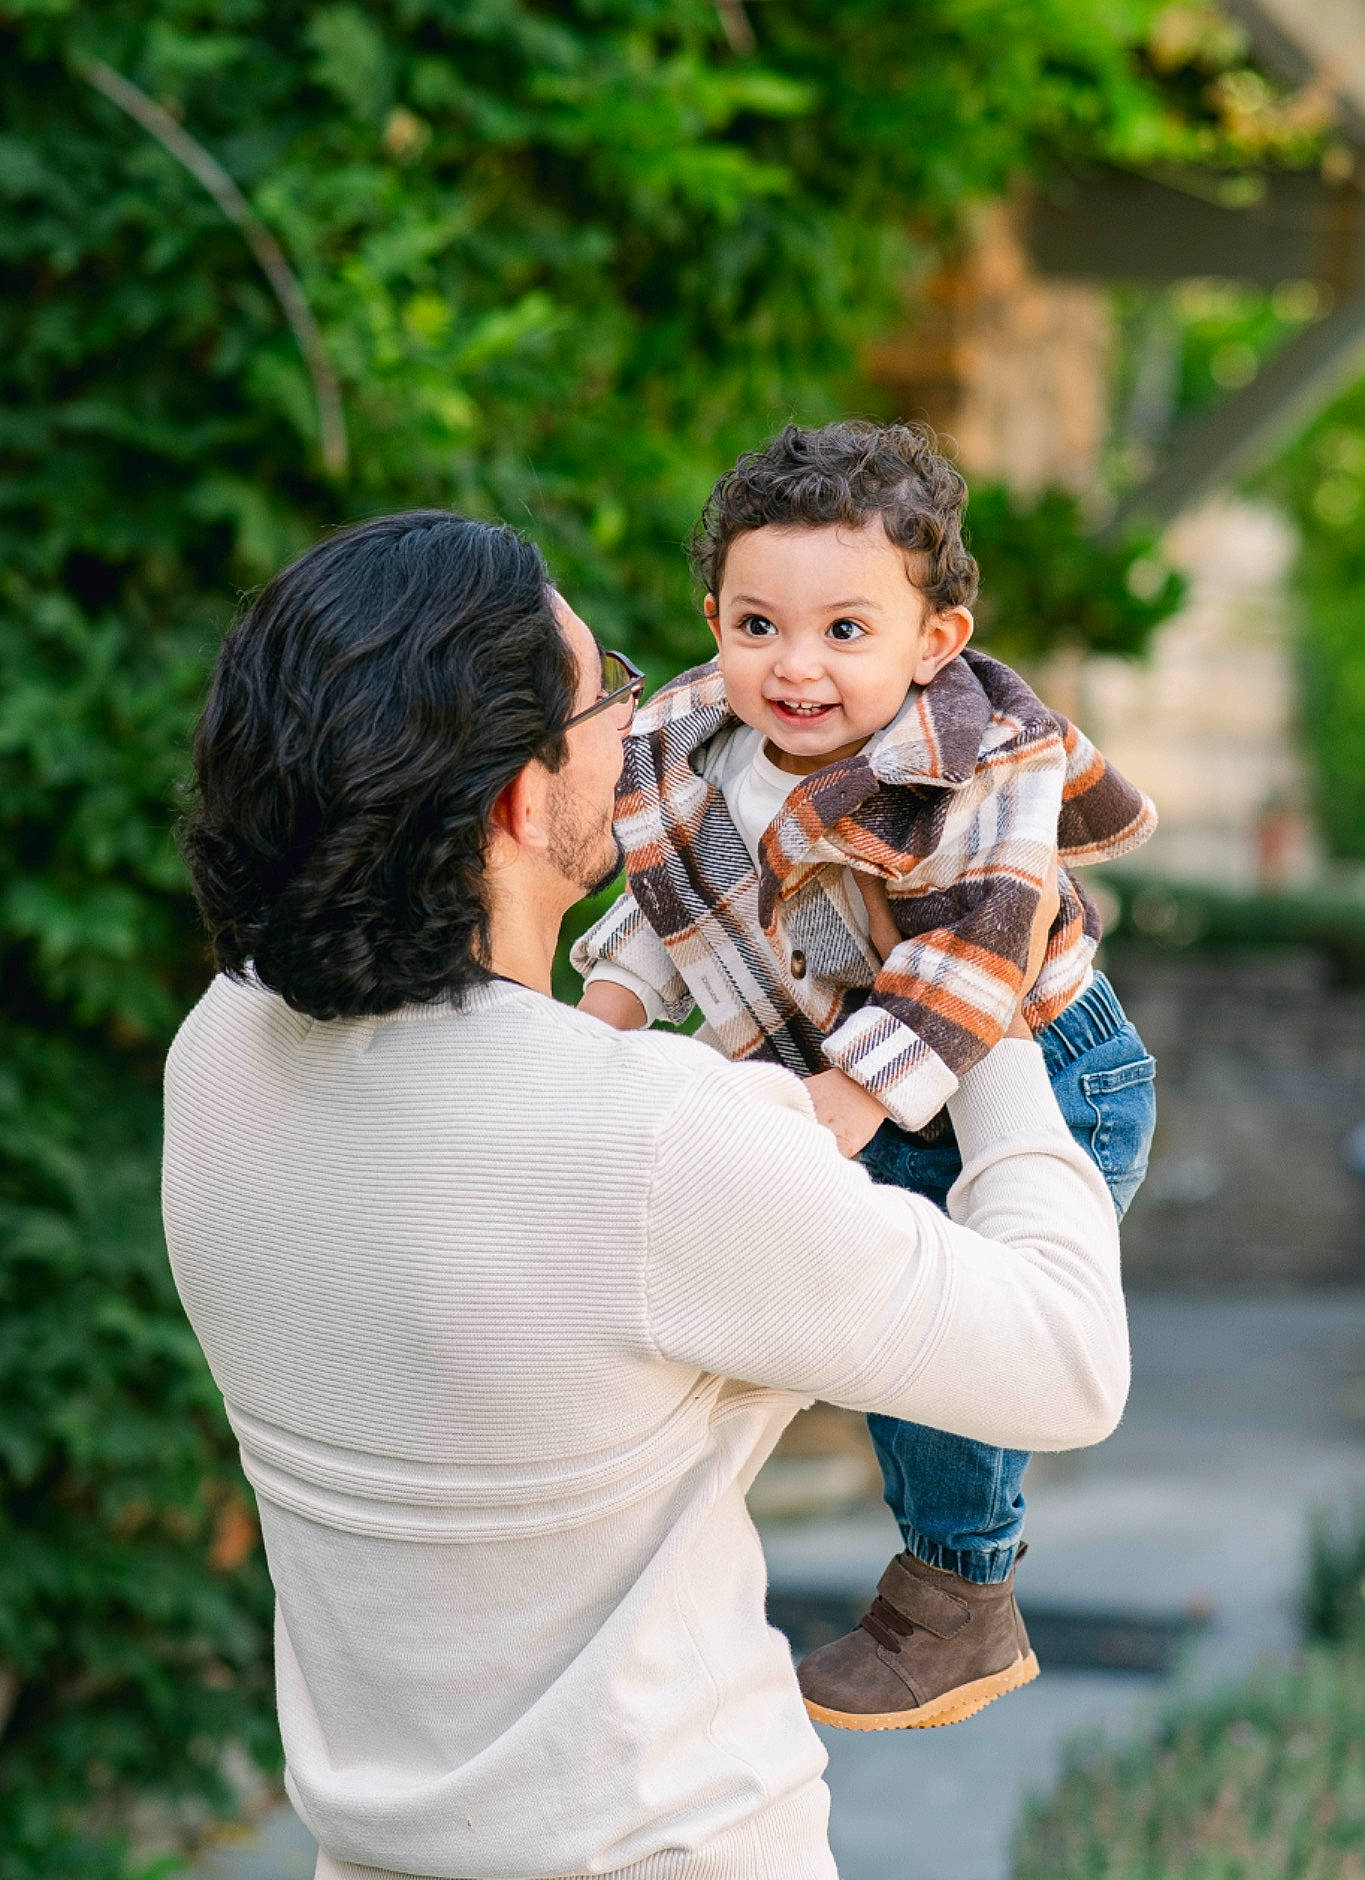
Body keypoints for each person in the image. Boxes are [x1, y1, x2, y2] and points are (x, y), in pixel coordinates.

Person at [164, 508, 1129, 1880]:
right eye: (606, 689)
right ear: (513, 797)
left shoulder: (219, 1055)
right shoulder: (652, 1148)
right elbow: (1066, 1366)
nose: (638, 719)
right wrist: (996, 1006)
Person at [575, 419, 1157, 1732]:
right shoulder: (682, 743)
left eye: (845, 631)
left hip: (1043, 1073)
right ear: (711, 616)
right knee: (853, 1335)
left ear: (931, 641)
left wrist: (832, 1114)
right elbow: (672, 910)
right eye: (754, 624)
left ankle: (958, 1592)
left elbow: (983, 939)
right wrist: (598, 1023)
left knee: (949, 1347)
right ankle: (637, 1575)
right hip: (862, 1081)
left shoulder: (978, 752)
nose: (793, 667)